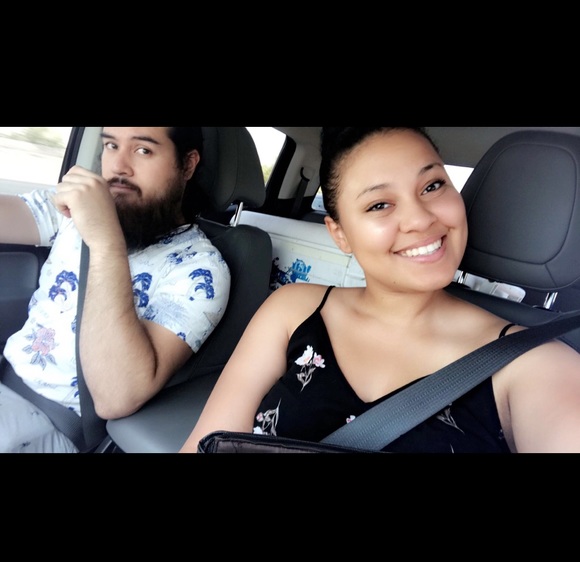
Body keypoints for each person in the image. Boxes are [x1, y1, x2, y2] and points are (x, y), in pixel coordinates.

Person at [180, 126, 580, 454]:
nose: (420, 219)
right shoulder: (293, 310)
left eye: (432, 185)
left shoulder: (536, 365)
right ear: (340, 233)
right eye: (379, 205)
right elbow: (205, 445)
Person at [0, 127, 231, 453]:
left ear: (188, 164)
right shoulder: (75, 212)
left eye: (143, 150)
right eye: (111, 145)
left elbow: (115, 397)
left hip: (52, 425)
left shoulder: (200, 270)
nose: (118, 167)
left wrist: (105, 242)